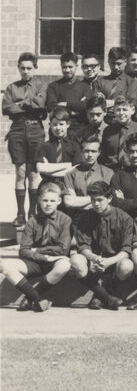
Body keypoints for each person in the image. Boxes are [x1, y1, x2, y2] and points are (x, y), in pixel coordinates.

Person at [0, 183, 72, 312]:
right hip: (35, 262)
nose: (48, 204)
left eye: (52, 200)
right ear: (39, 200)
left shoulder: (65, 220)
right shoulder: (32, 221)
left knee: (65, 265)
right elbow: (23, 251)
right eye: (45, 200)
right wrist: (44, 257)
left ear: (59, 201)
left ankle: (29, 297)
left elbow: (63, 249)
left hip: (55, 261)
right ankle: (38, 299)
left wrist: (37, 251)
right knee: (4, 264)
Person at [72, 181, 134, 310]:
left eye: (100, 200)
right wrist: (93, 257)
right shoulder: (86, 217)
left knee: (127, 266)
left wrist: (109, 261)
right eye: (93, 200)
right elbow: (83, 246)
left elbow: (126, 250)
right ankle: (106, 297)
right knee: (76, 260)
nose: (96, 204)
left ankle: (100, 294)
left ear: (110, 198)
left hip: (114, 262)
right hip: (94, 262)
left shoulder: (124, 218)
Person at [4, 52, 47, 225]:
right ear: (18, 68)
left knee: (34, 172)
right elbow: (7, 108)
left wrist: (20, 104)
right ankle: (20, 213)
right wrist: (29, 103)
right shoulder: (11, 87)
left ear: (35, 68)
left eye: (29, 68)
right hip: (17, 129)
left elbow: (41, 104)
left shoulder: (42, 85)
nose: (26, 71)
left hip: (36, 129)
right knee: (20, 172)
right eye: (23, 68)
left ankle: (32, 213)